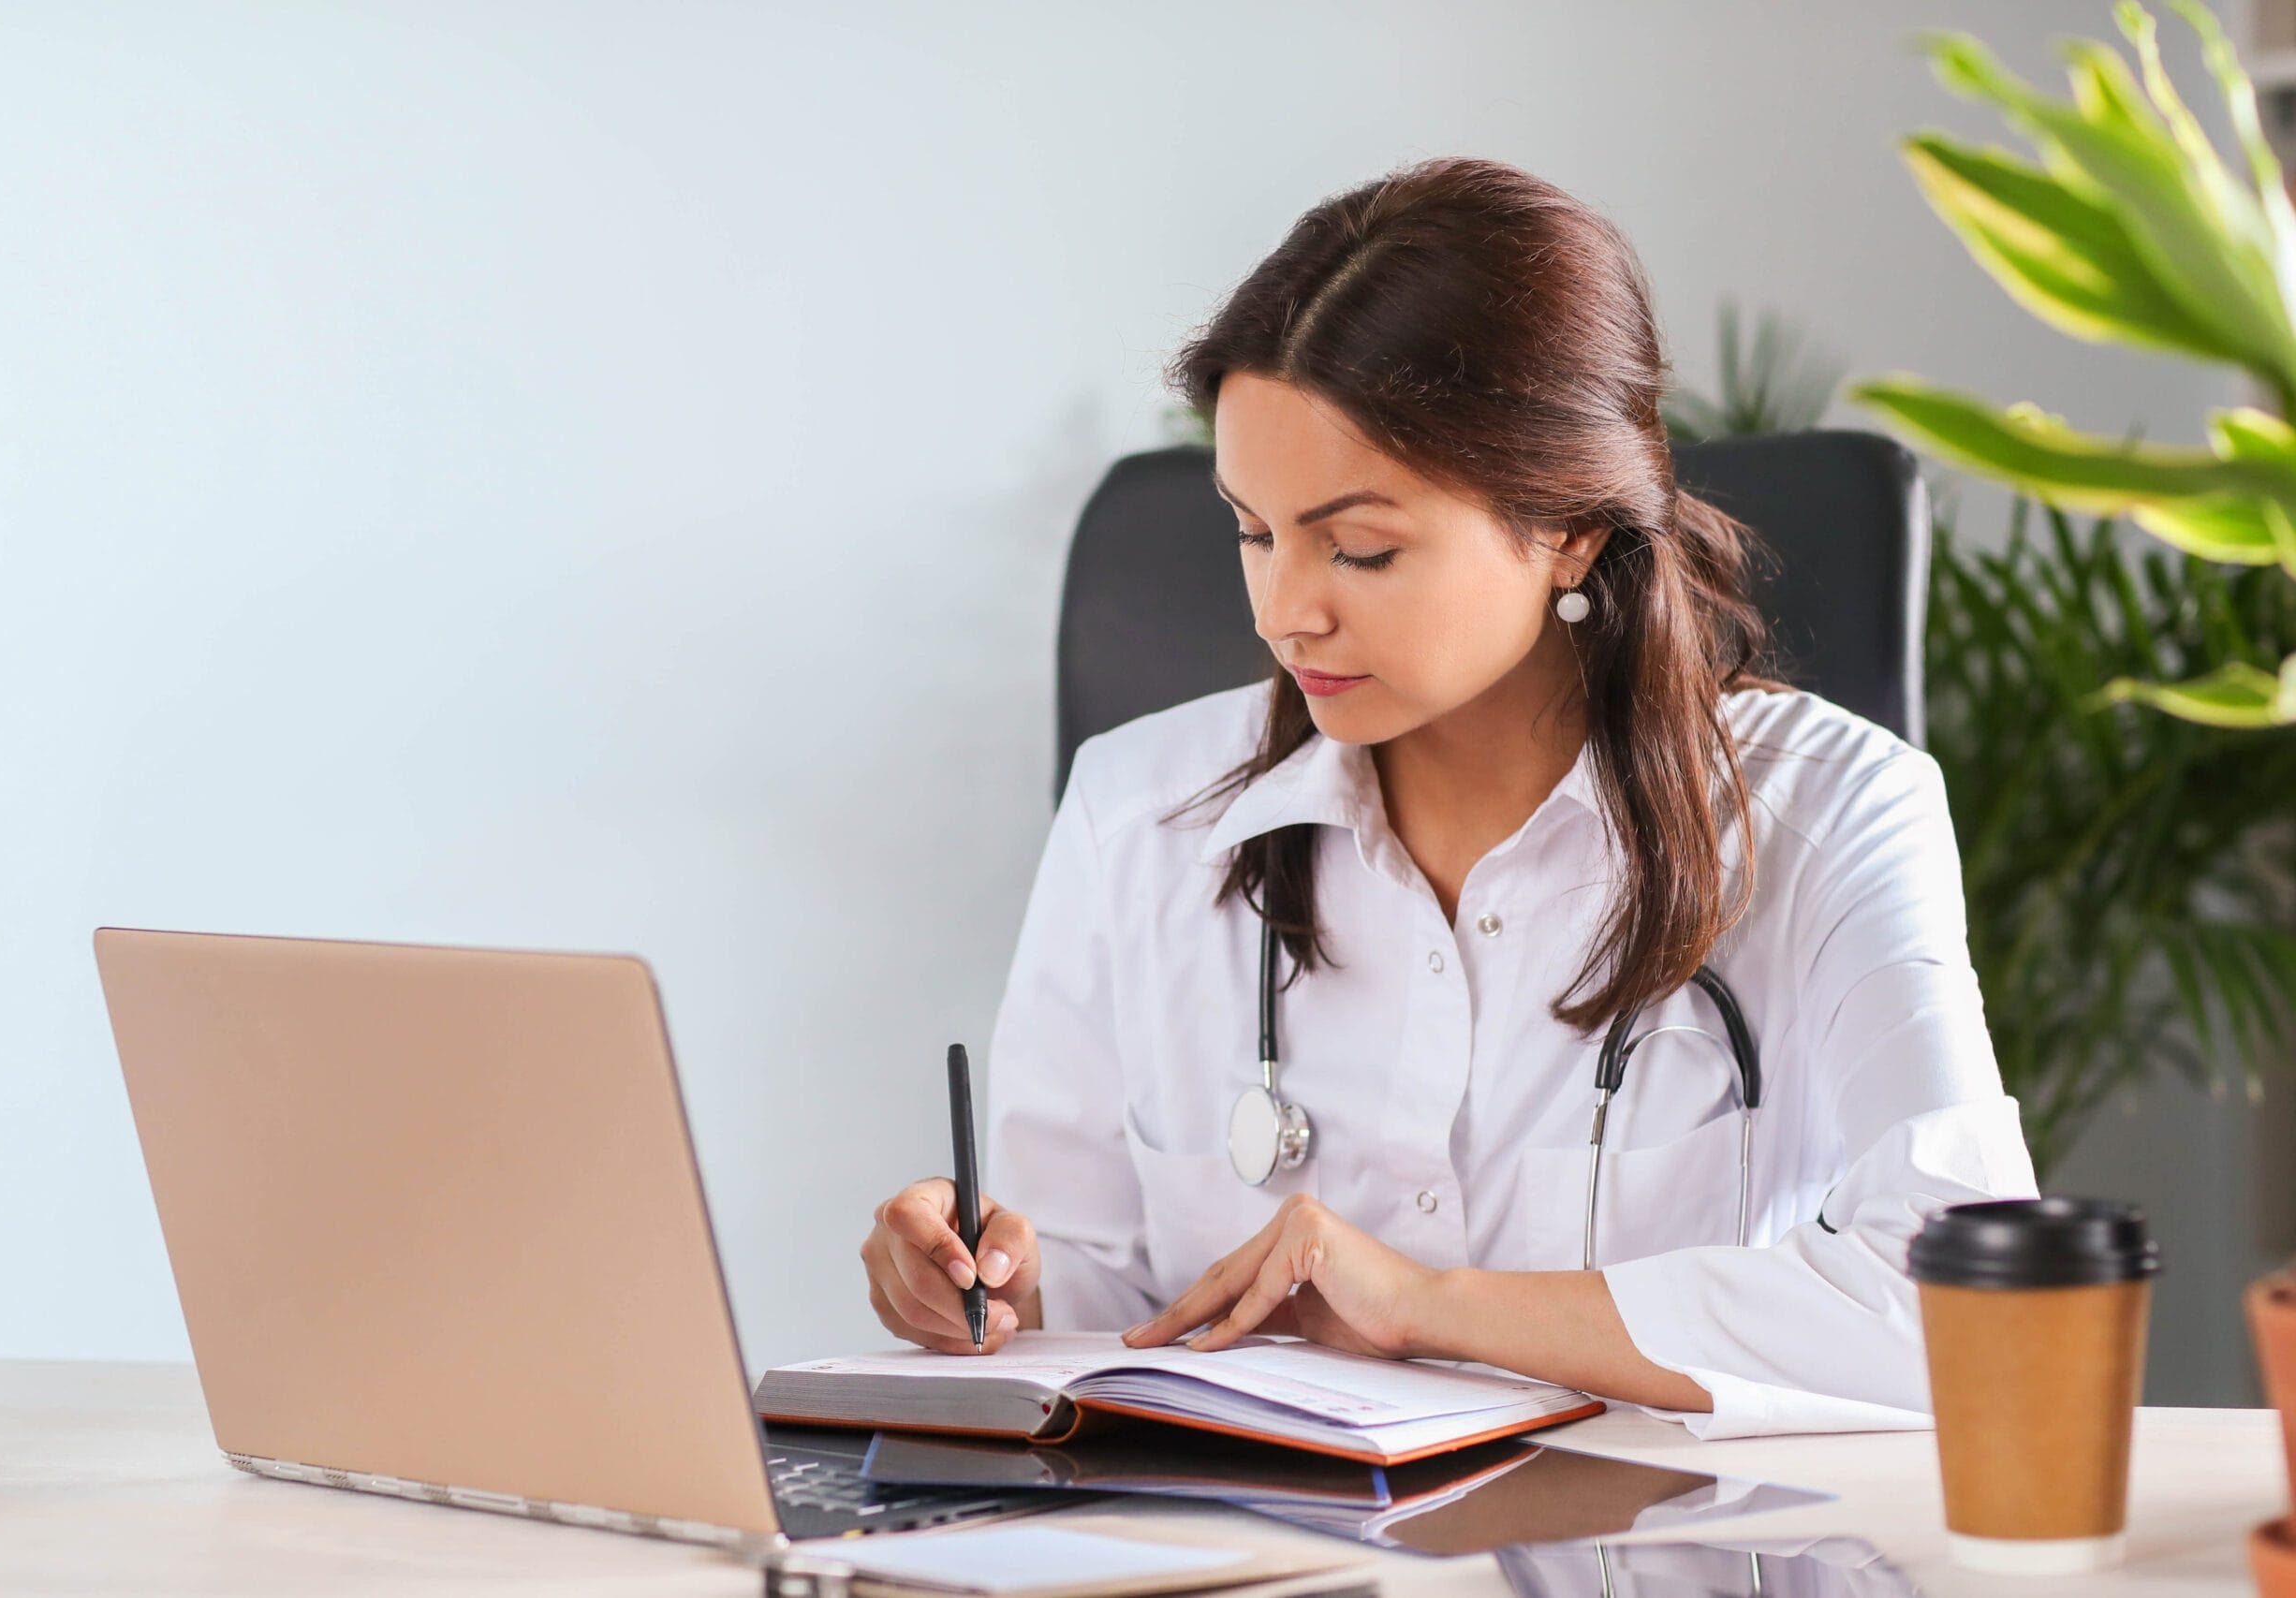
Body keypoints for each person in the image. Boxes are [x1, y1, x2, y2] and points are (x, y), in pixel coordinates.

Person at [856, 155, 2038, 1439]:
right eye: (1253, 530)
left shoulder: (1832, 814)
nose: (1284, 610)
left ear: (1570, 527)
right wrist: (994, 1285)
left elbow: (1970, 1307)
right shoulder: (1134, 813)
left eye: (1361, 548)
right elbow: (1096, 1305)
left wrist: (1430, 1305)